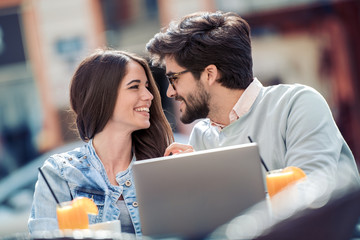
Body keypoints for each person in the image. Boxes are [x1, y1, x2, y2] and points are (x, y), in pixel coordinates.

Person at [146, 11, 360, 181]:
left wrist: (215, 178)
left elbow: (309, 196)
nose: (169, 92)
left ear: (209, 74)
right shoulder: (202, 136)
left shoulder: (297, 104)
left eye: (174, 79)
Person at [28, 49, 174, 237]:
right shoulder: (60, 173)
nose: (149, 95)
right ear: (102, 95)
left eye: (146, 86)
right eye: (134, 87)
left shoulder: (163, 164)